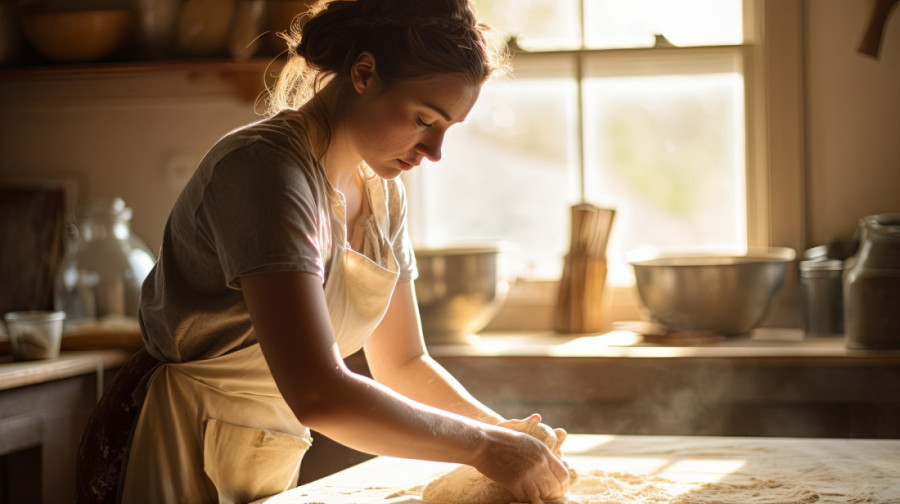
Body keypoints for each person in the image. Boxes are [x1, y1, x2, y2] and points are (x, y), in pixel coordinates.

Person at [117, 0, 571, 502]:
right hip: (178, 452)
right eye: (424, 119)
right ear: (363, 73)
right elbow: (318, 393)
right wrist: (486, 447)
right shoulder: (265, 171)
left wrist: (508, 437)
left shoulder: (381, 193)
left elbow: (404, 363)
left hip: (263, 461)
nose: (434, 152)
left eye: (446, 130)